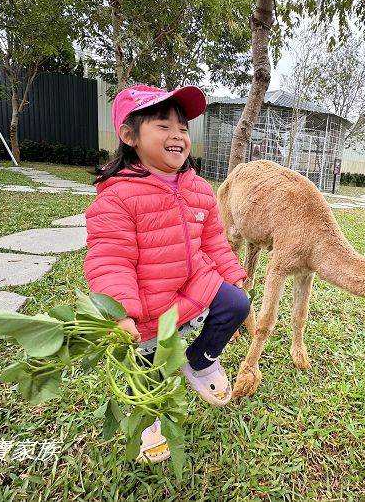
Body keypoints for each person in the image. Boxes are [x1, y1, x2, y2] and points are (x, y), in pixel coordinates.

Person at [83, 84, 250, 463]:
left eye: (183, 128)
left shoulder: (198, 188)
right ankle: (148, 420)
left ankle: (200, 360)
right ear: (129, 136)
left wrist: (231, 273)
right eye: (163, 126)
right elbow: (110, 258)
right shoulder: (118, 196)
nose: (177, 135)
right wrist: (121, 311)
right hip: (149, 303)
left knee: (237, 303)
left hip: (195, 283)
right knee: (149, 372)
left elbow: (214, 240)